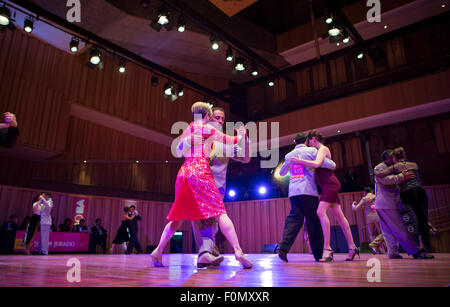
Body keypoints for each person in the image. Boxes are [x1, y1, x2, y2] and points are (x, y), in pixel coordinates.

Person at [150, 101, 252, 269]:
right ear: (208, 117)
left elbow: (180, 151)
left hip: (184, 174)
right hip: (201, 176)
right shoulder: (209, 131)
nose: (218, 121)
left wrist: (245, 140)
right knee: (219, 214)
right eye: (215, 117)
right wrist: (241, 135)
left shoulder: (190, 127)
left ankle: (158, 251)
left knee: (178, 218)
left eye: (221, 119)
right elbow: (233, 140)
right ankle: (237, 251)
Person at [291, 130, 358, 262]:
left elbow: (316, 164)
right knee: (339, 216)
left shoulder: (322, 149)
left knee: (320, 211)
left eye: (309, 141)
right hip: (328, 184)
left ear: (314, 138)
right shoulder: (320, 150)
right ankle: (352, 247)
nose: (309, 144)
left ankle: (327, 249)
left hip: (330, 184)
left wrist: (300, 161)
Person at [278, 132, 336, 262]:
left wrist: (291, 166)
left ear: (295, 143)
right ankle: (319, 254)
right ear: (306, 141)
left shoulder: (289, 155)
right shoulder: (312, 151)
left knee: (293, 220)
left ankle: (283, 247)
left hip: (294, 192)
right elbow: (331, 165)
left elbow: (282, 173)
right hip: (308, 191)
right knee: (313, 222)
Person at [373, 149, 433, 259]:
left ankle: (392, 252)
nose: (396, 159)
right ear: (389, 158)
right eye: (394, 157)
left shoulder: (389, 167)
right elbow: (384, 180)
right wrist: (402, 176)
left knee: (388, 231)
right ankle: (415, 251)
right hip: (387, 202)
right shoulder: (380, 167)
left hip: (384, 203)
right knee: (400, 228)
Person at [352, 187, 385, 254]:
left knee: (372, 234)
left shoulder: (364, 198)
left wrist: (353, 205)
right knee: (381, 233)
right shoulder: (375, 196)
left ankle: (374, 249)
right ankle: (376, 246)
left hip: (369, 218)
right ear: (371, 191)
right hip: (377, 216)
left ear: (365, 192)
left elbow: (355, 208)